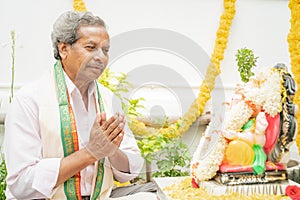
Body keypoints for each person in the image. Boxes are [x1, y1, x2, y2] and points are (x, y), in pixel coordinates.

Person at [3, 11, 147, 199]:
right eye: (91, 47)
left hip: (101, 196)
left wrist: (111, 151)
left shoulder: (109, 99)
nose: (100, 57)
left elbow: (131, 169)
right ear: (63, 49)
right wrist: (91, 153)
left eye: (105, 50)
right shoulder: (29, 100)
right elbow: (21, 184)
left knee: (153, 194)